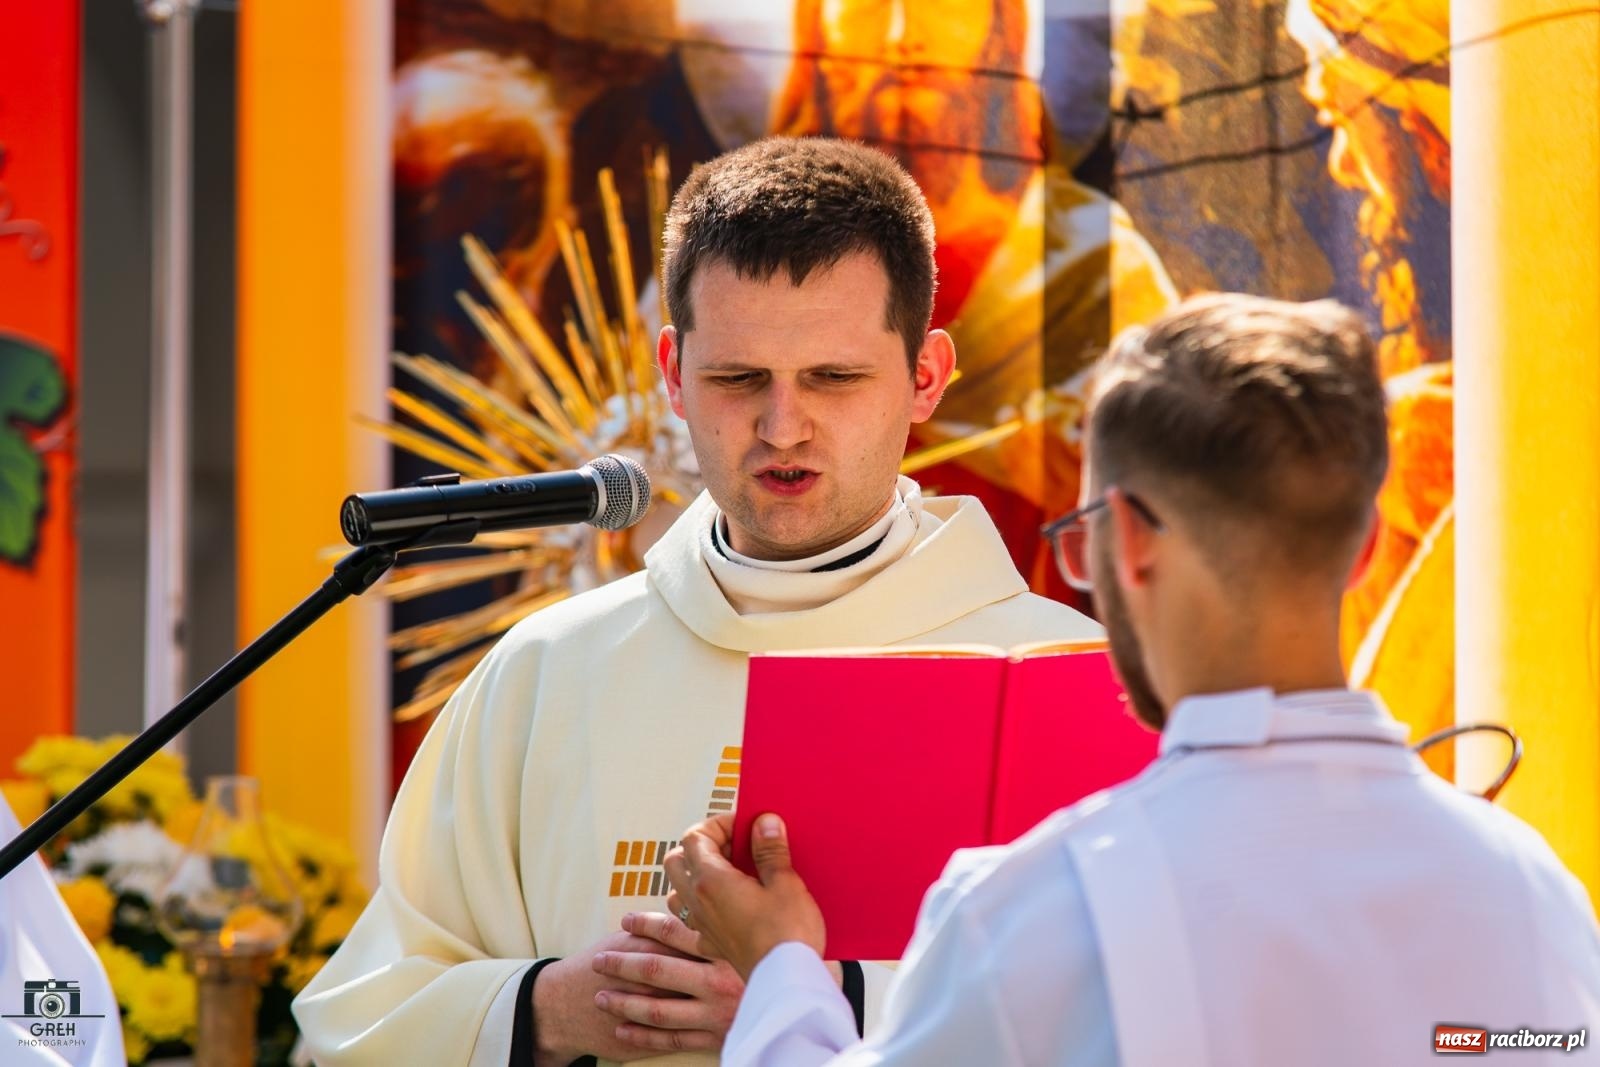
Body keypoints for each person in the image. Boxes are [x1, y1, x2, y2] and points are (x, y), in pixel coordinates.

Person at [292, 136, 1100, 1067]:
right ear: (673, 373)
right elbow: (357, 1021)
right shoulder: (546, 671)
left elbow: (1126, 1012)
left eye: (834, 378)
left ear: (925, 376)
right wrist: (551, 1007)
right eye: (737, 378)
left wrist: (817, 998)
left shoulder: (1059, 677)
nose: (781, 426)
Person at [664, 294, 1600, 1066]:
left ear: (1135, 544)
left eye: (1081, 540)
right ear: (1361, 550)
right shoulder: (1533, 891)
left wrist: (784, 966)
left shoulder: (1040, 911)